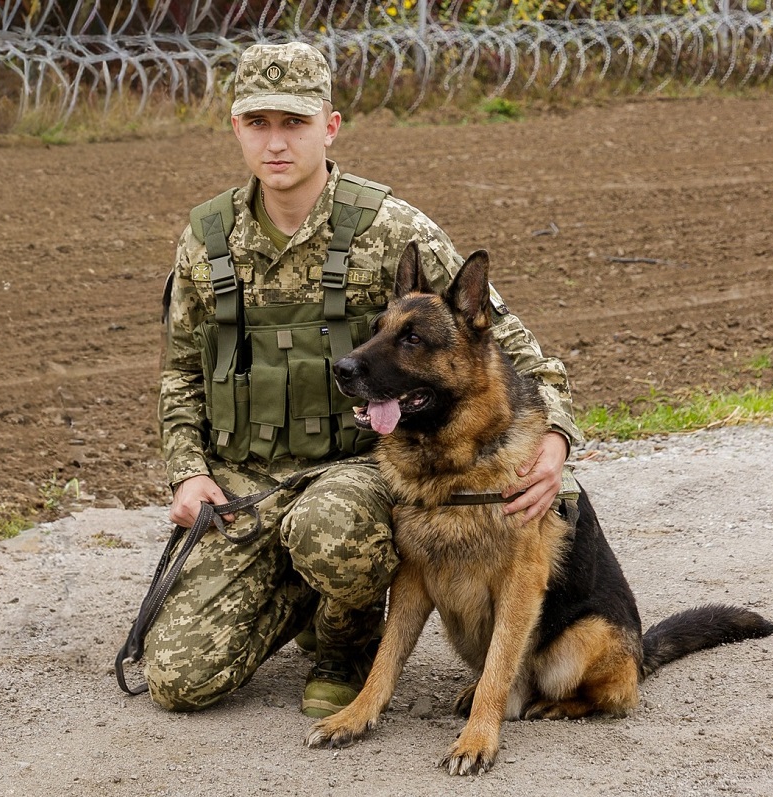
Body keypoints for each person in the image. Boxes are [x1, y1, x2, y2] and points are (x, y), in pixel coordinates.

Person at [144, 41, 582, 718]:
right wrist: (186, 473)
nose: (276, 142)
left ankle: (344, 643)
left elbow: (518, 350)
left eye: (294, 122)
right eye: (258, 122)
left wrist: (553, 441)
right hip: (245, 483)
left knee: (334, 527)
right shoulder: (206, 238)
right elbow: (179, 373)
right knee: (178, 680)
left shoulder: (390, 226)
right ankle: (286, 596)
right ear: (236, 127)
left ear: (330, 125)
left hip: (348, 477)